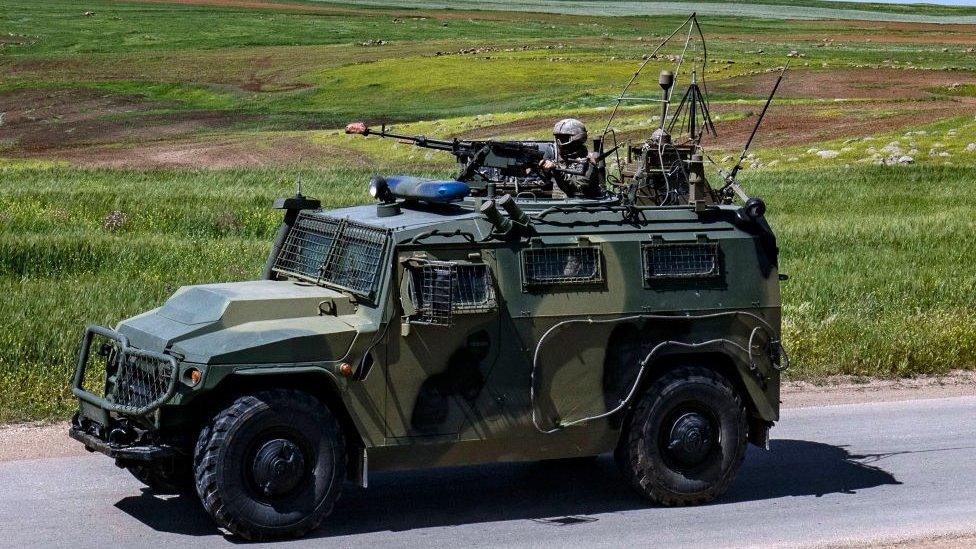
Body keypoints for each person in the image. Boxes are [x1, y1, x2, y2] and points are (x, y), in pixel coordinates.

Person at [538, 118, 605, 198]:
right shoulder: (558, 157)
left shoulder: (587, 162)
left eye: (563, 139)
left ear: (577, 139)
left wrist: (556, 170)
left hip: (580, 207)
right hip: (558, 206)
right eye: (557, 138)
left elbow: (576, 189)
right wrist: (541, 169)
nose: (559, 142)